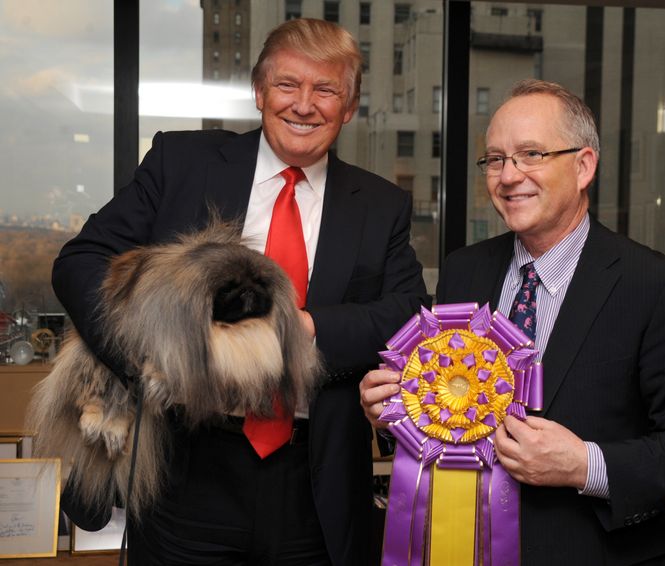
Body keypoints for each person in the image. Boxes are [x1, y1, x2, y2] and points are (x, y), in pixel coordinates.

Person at [53, 18, 430, 566]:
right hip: (184, 467)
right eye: (287, 85)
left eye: (325, 89)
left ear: (348, 107)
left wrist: (305, 330)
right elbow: (80, 263)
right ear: (259, 91)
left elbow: (406, 314)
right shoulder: (182, 163)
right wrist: (159, 358)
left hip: (314, 482)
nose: (304, 105)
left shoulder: (381, 204)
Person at [360, 79, 665, 565]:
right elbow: (446, 418)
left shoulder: (655, 285)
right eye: (495, 159)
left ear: (583, 166)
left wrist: (584, 466)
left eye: (531, 154)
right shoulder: (464, 270)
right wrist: (395, 415)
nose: (509, 176)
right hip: (464, 550)